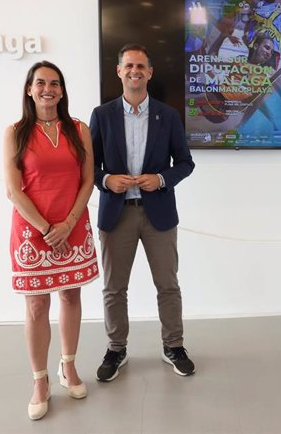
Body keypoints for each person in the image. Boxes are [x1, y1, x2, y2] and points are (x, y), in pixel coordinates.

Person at [90, 43, 196, 381]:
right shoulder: (102, 115)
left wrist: (161, 178)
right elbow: (87, 168)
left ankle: (174, 346)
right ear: (119, 71)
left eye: (141, 66)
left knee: (167, 284)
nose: (135, 71)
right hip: (116, 214)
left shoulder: (169, 115)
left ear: (150, 73)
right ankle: (116, 348)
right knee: (113, 287)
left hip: (158, 214)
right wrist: (107, 179)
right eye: (129, 66)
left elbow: (185, 163)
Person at [3, 61, 98, 420]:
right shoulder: (15, 132)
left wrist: (69, 222)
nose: (48, 89)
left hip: (72, 225)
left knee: (71, 295)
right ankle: (40, 380)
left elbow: (87, 180)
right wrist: (46, 228)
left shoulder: (78, 129)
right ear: (29, 89)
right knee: (37, 306)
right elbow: (13, 190)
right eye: (41, 83)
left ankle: (68, 366)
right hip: (33, 230)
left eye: (55, 83)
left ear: (62, 90)